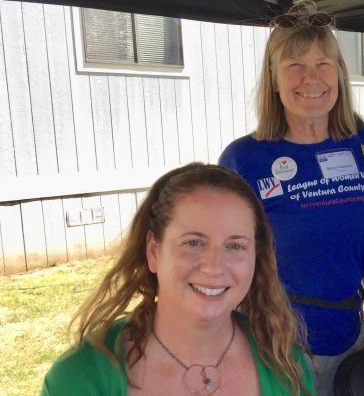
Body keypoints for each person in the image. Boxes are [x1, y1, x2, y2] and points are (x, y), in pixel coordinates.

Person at [218, 3, 364, 395]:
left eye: (324, 63)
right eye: (294, 66)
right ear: (273, 79)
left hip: (346, 340)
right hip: (268, 348)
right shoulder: (243, 159)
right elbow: (222, 258)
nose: (311, 78)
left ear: (340, 73)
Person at [41, 163, 313, 395]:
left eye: (235, 246)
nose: (214, 266)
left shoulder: (285, 364)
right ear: (153, 252)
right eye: (193, 242)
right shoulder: (81, 378)